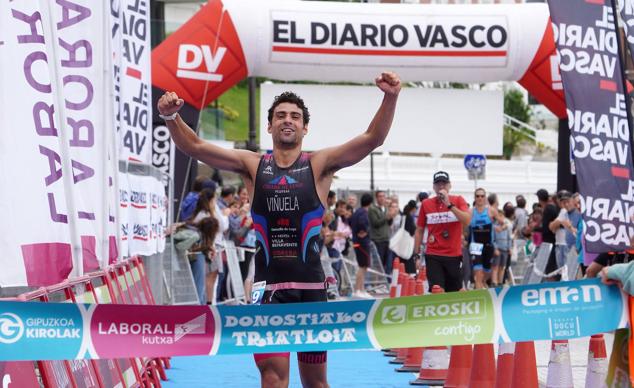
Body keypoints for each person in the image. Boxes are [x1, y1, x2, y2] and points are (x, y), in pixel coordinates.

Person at [158, 71, 401, 388]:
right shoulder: (253, 164)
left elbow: (372, 139)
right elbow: (196, 146)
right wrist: (171, 116)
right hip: (268, 290)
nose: (288, 120)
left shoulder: (319, 163)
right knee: (272, 378)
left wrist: (390, 97)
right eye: (281, 115)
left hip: (312, 291)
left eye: (296, 116)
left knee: (316, 383)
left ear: (305, 127)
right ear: (269, 126)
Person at [413, 171, 471, 292]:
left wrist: (449, 204)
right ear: (434, 187)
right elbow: (419, 230)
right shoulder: (426, 204)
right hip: (433, 254)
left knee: (456, 291)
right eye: (438, 183)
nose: (441, 186)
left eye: (444, 183)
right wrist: (416, 255)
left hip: (453, 255)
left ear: (449, 185)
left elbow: (466, 221)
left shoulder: (458, 200)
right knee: (437, 290)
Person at [469, 188, 497, 289]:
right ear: (474, 198)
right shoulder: (470, 212)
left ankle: (482, 282)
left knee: (487, 271)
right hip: (475, 245)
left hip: (488, 245)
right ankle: (479, 291)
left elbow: (503, 222)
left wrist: (501, 227)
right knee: (478, 271)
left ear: (485, 198)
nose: (480, 198)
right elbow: (463, 227)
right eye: (477, 196)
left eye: (482, 196)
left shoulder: (491, 211)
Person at [350, 193, 373, 298]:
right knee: (362, 266)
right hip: (362, 243)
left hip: (357, 241)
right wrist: (363, 231)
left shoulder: (357, 212)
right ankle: (358, 289)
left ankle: (361, 289)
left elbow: (350, 221)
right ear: (370, 203)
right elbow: (362, 224)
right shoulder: (363, 213)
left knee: (362, 266)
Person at [369, 190, 398, 276]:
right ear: (376, 198)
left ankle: (384, 282)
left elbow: (388, 223)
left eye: (383, 196)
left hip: (386, 238)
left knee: (387, 263)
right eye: (380, 196)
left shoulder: (385, 208)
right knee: (378, 263)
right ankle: (376, 282)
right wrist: (387, 216)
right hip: (377, 239)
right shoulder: (372, 208)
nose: (382, 198)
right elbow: (375, 223)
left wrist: (391, 217)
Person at [535, 188, 559, 279]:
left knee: (550, 267)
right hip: (553, 240)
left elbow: (546, 228)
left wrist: (536, 229)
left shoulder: (548, 209)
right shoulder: (551, 208)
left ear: (539, 199)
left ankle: (551, 284)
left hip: (550, 242)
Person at [492, 203, 514, 286]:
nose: (501, 218)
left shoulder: (507, 227)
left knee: (503, 267)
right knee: (495, 266)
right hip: (498, 249)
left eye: (502, 216)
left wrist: (509, 248)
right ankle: (494, 282)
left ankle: (500, 282)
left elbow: (509, 238)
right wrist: (495, 248)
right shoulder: (494, 227)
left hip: (505, 249)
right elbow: (492, 239)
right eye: (499, 216)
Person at [401, 200, 418, 274]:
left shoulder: (404, 216)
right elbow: (411, 231)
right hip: (408, 241)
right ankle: (408, 274)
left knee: (405, 259)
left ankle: (405, 272)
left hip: (403, 241)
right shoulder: (409, 217)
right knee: (408, 260)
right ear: (414, 208)